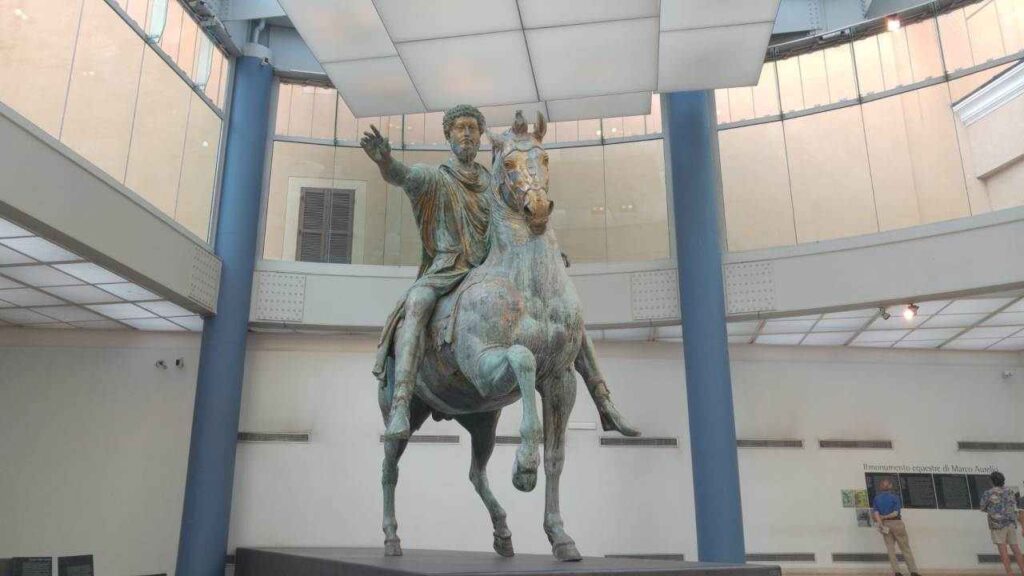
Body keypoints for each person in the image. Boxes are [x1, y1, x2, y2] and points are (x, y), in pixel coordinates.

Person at [361, 105, 638, 440]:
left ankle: (602, 397)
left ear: (481, 137)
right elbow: (401, 176)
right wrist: (384, 161)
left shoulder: (494, 181)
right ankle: (403, 402)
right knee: (418, 301)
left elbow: (516, 224)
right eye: (459, 128)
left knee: (564, 315)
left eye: (472, 129)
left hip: (495, 269)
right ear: (448, 136)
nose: (466, 134)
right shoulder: (435, 178)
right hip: (450, 268)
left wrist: (548, 253)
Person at [872, 478, 922, 576]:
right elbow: (895, 513)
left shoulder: (876, 498)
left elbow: (876, 513)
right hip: (897, 523)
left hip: (885, 524)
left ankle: (897, 572)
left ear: (881, 487)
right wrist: (886, 517)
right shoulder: (895, 497)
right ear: (890, 486)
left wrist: (881, 522)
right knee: (905, 548)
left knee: (890, 549)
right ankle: (913, 571)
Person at [980, 471, 1024, 576]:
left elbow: (982, 507)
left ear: (991, 481)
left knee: (1002, 549)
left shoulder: (988, 493)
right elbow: (1014, 505)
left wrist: (993, 510)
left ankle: (1010, 573)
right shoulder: (1010, 491)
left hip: (997, 524)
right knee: (1015, 548)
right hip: (1010, 523)